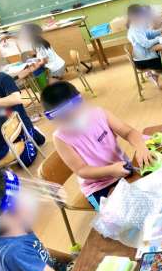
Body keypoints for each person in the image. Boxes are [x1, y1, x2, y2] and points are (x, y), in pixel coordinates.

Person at [40, 81, 153, 210]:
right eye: (65, 119)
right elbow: (82, 170)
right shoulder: (60, 138)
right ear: (53, 120)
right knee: (125, 211)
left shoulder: (99, 114)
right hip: (97, 187)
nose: (72, 120)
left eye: (75, 114)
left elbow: (128, 132)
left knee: (151, 192)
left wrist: (141, 147)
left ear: (82, 102)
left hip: (124, 170)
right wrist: (111, 170)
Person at [0, 169, 70, 271]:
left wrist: (72, 259)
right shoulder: (15, 252)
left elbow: (40, 251)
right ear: (8, 216)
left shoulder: (14, 228)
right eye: (20, 198)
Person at [0, 41, 45, 166]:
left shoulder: (2, 78)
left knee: (25, 161)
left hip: (16, 124)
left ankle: (32, 133)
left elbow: (16, 99)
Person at [127, 4, 162, 88]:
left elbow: (148, 33)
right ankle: (158, 73)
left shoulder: (137, 25)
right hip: (143, 61)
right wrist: (160, 37)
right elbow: (146, 44)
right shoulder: (134, 30)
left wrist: (161, 31)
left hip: (146, 57)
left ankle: (161, 73)